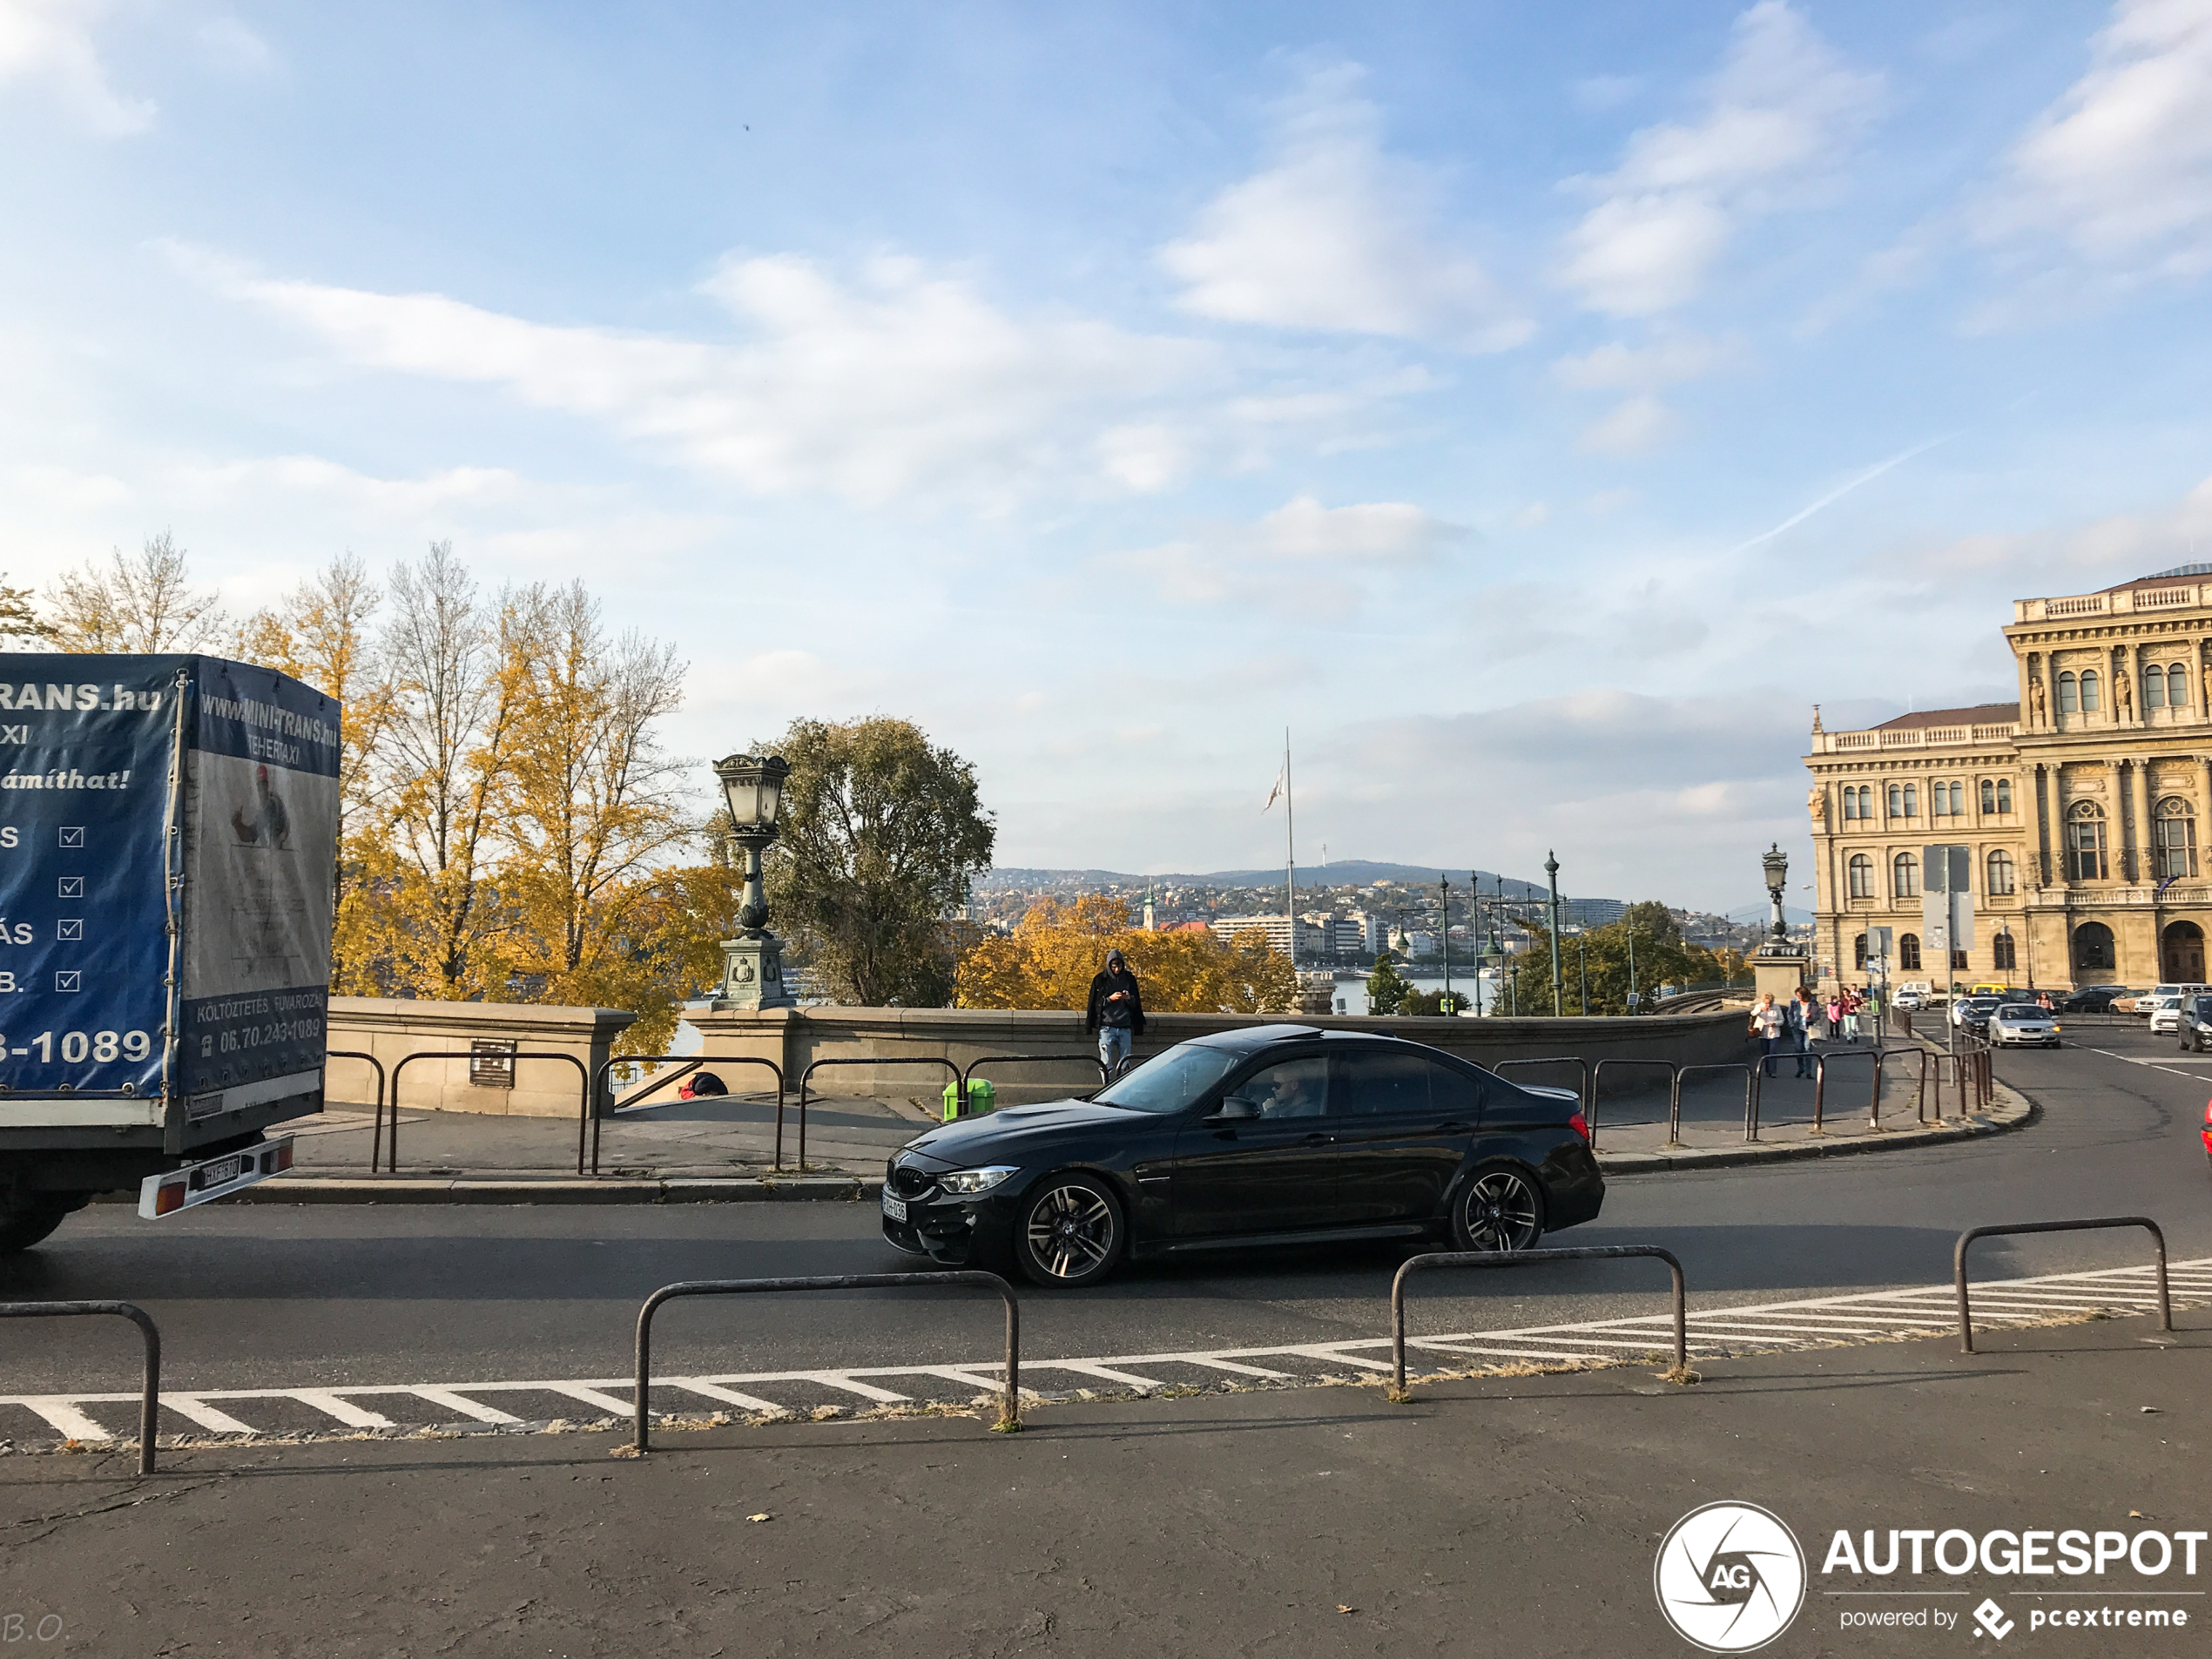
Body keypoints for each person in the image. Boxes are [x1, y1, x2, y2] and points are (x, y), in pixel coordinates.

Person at [1084, 948, 1146, 1077]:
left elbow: (1137, 1004)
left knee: (1126, 1064)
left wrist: (1128, 998)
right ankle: (1107, 1088)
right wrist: (1110, 999)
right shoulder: (1100, 979)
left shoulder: (1129, 979)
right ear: (1109, 966)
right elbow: (1094, 1004)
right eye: (1114, 967)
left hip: (1125, 1026)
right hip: (1106, 1026)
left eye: (1119, 966)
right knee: (1106, 1063)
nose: (1117, 970)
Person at [1750, 993, 1787, 1077]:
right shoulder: (1759, 1006)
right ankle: (1767, 1070)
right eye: (1766, 1003)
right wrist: (1760, 1010)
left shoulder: (1776, 1007)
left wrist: (1775, 1023)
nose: (1768, 1005)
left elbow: (1782, 1019)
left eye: (1769, 1003)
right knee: (1765, 1052)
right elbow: (1753, 1013)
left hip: (1774, 1032)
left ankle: (1772, 1071)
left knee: (1773, 1052)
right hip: (1762, 1032)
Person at [1790, 986, 1818, 1079]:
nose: (1799, 997)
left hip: (1808, 1028)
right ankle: (1800, 1068)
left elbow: (1818, 1015)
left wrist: (1811, 1016)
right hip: (1797, 1028)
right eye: (1797, 995)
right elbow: (1789, 1013)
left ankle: (1808, 1071)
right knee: (1798, 1049)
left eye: (1800, 995)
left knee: (1807, 1049)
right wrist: (1791, 1024)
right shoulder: (1794, 1002)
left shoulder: (1813, 1002)